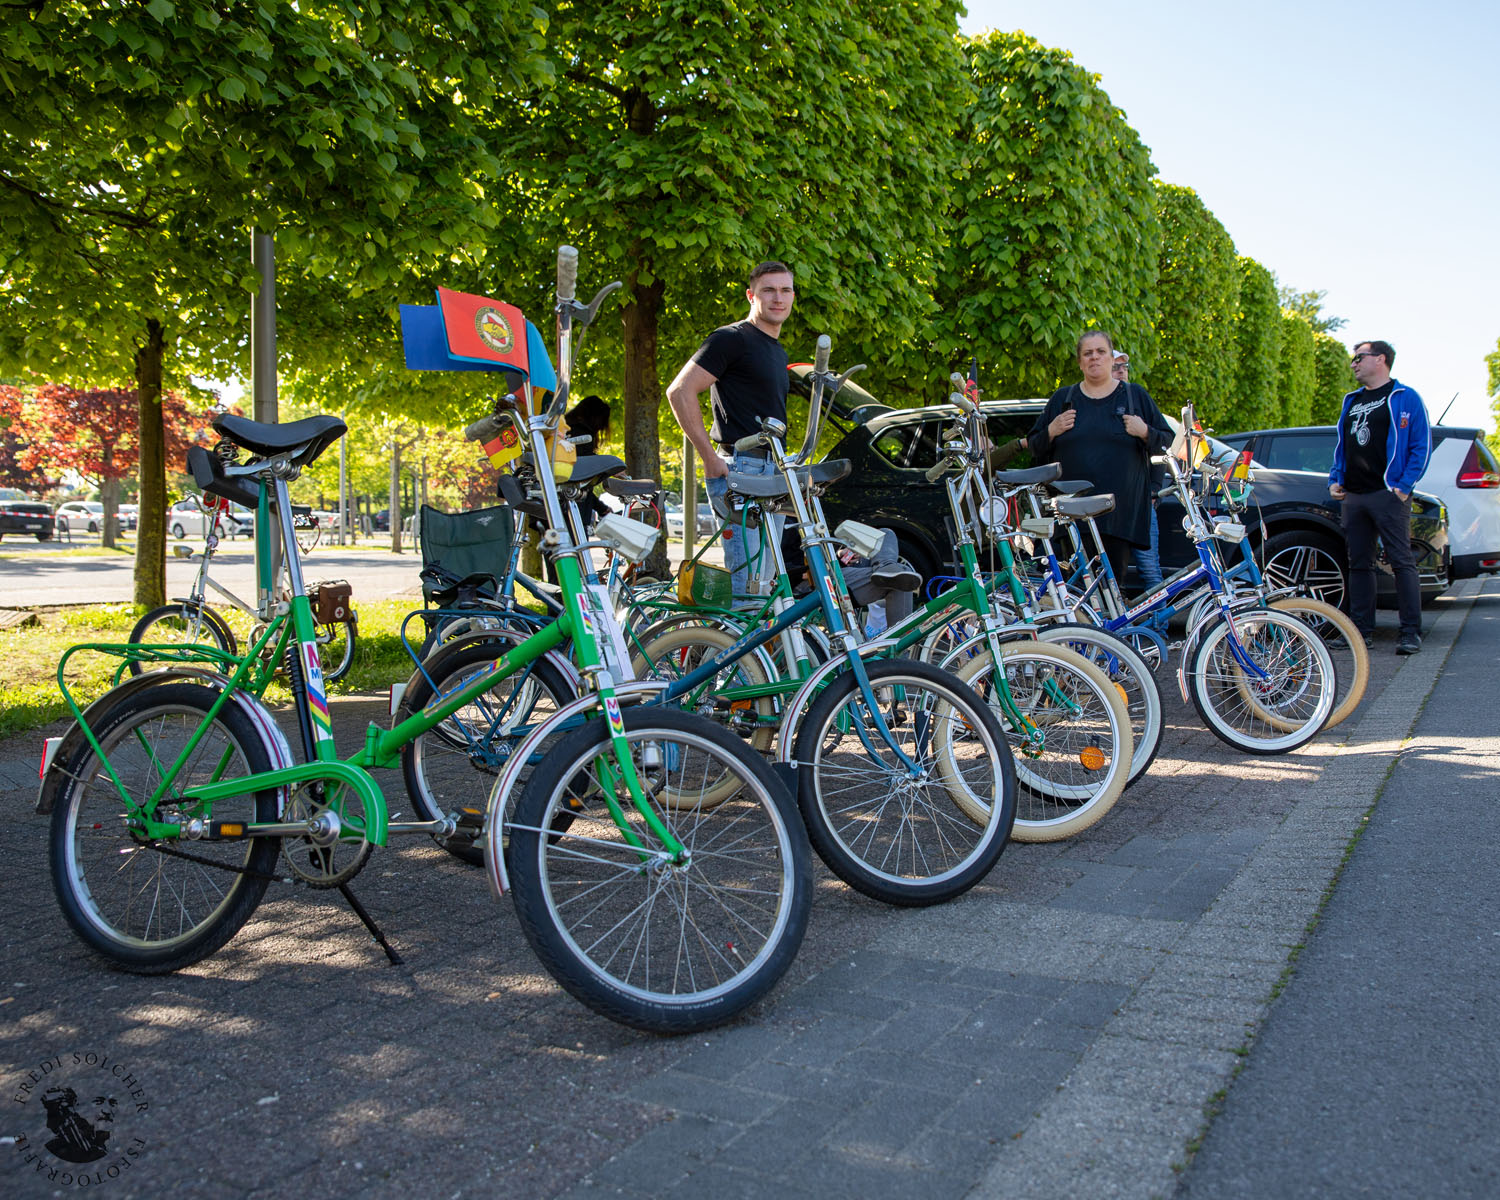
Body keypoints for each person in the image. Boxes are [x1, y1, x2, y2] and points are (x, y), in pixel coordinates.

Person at [1026, 331, 1172, 592]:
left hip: (1119, 518)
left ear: (1111, 358)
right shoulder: (1063, 399)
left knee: (1110, 593)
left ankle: (1107, 633)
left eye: (1100, 351)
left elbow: (1167, 442)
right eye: (1087, 353)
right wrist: (1052, 429)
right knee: (1075, 595)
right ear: (1080, 362)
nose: (1094, 357)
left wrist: (1145, 431)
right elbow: (1034, 446)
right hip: (1071, 517)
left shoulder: (1134, 396)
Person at [1328, 339, 1429, 655]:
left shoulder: (1405, 398)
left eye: (1359, 357)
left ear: (1381, 359)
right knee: (1359, 565)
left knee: (1401, 562)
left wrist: (1402, 487)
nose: (1353, 363)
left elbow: (1420, 447)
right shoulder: (1351, 400)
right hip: (1355, 496)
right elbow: (1342, 446)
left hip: (1388, 495)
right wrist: (1335, 479)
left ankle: (1410, 632)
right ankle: (1360, 633)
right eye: (1352, 358)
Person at [1114, 350, 1166, 599]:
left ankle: (1159, 634)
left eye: (1124, 366)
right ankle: (1110, 635)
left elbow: (1163, 445)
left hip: (1140, 503)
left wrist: (1154, 488)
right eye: (1115, 367)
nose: (1121, 370)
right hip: (1106, 505)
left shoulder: (1138, 398)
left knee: (1150, 571)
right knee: (1111, 576)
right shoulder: (1088, 402)